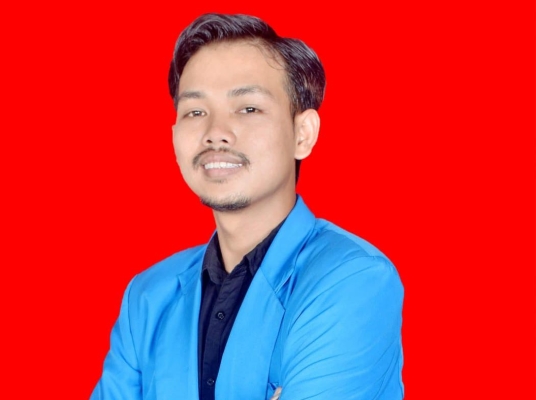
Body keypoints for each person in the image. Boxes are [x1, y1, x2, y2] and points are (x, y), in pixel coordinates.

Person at [91, 13, 404, 400]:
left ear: (302, 134)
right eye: (195, 112)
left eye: (248, 108)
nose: (215, 133)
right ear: (174, 137)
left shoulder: (354, 280)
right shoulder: (148, 297)